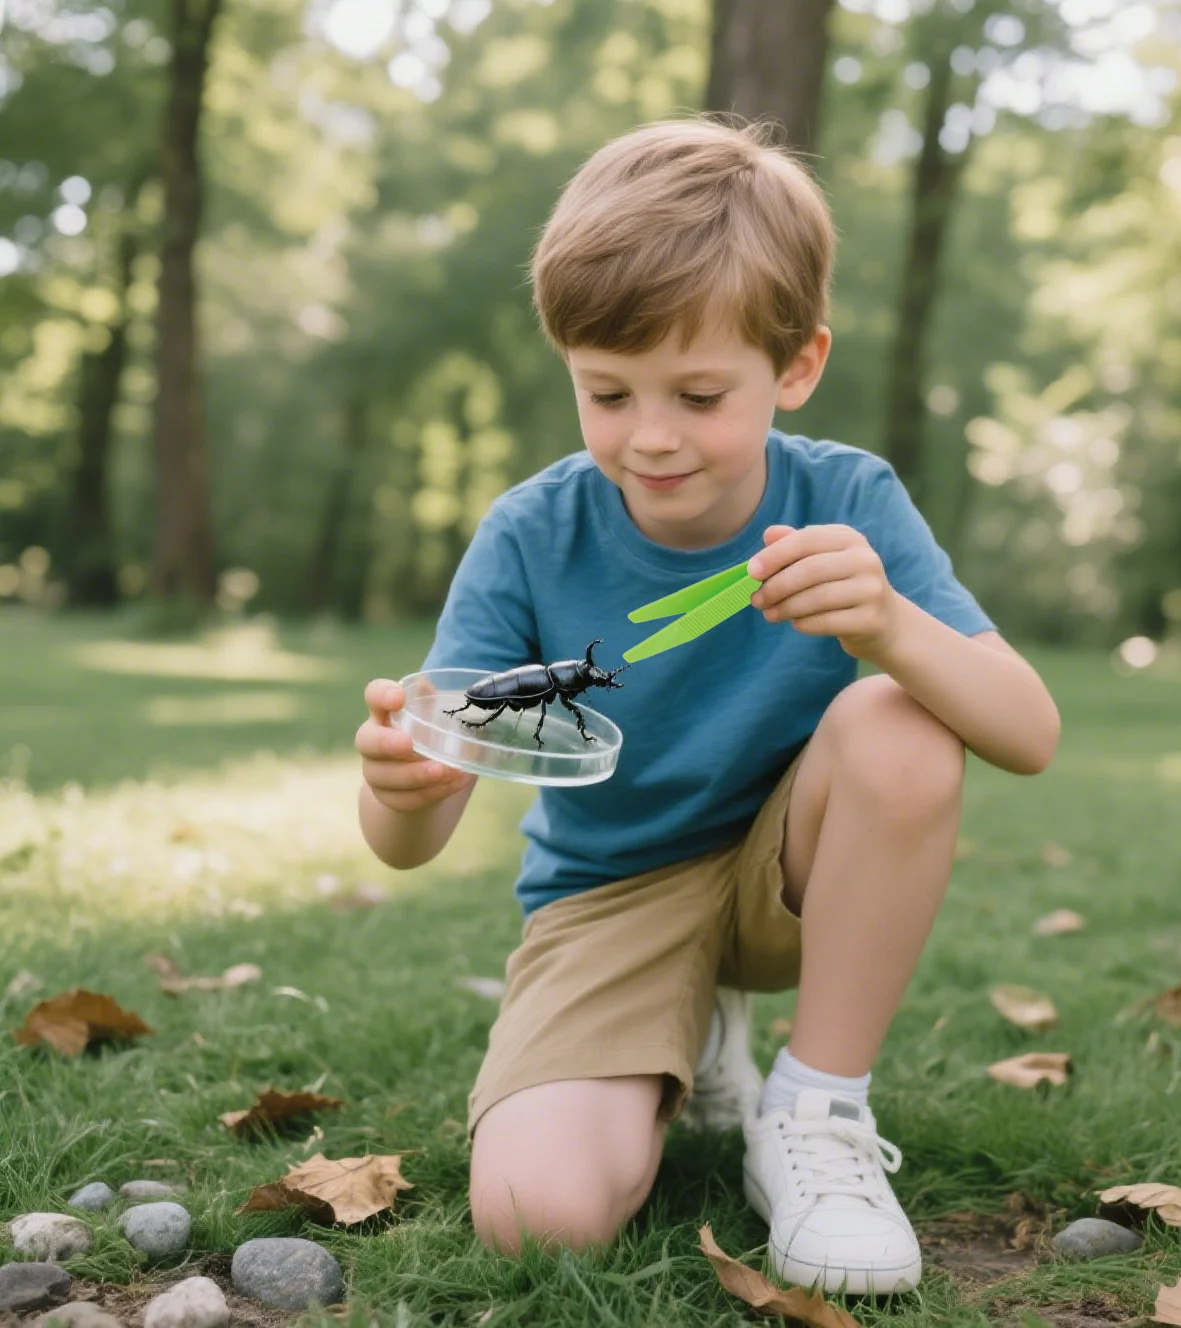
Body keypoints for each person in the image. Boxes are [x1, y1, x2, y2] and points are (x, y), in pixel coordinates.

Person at [355, 117, 1060, 1296]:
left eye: (695, 391)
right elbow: (412, 835)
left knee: (899, 716)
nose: (650, 436)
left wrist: (888, 625)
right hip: (608, 896)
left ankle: (815, 1112)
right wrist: (402, 788)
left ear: (794, 367)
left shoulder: (847, 496)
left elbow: (1026, 734)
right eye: (606, 391)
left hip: (786, 879)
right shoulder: (531, 534)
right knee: (538, 1217)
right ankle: (689, 1035)